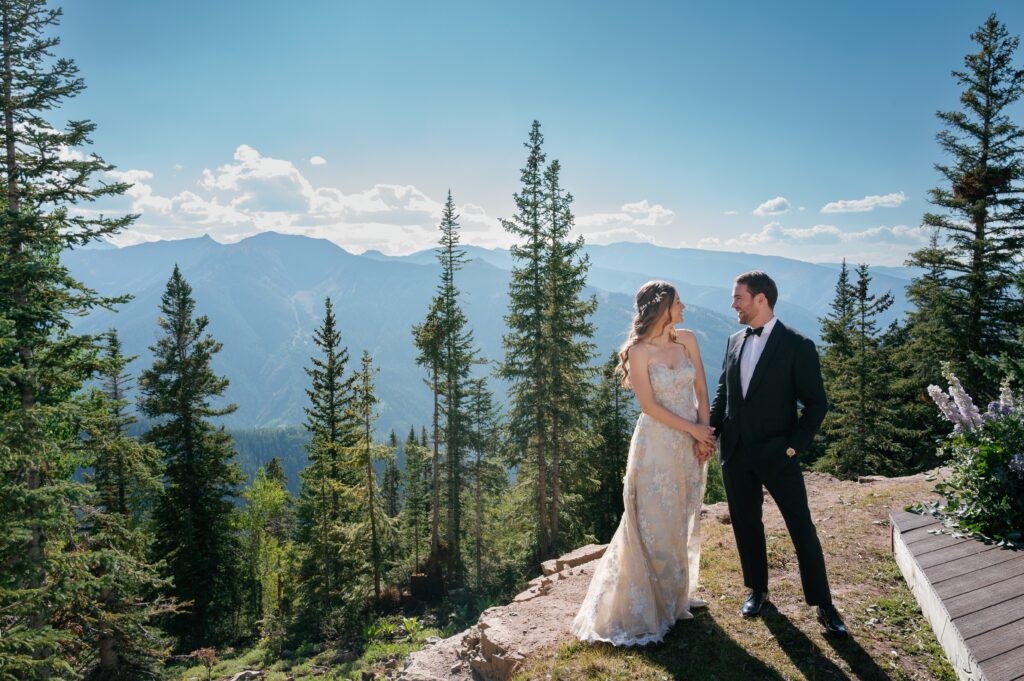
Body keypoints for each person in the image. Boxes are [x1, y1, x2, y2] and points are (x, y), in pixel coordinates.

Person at [571, 280, 717, 646]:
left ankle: (676, 595)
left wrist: (705, 431)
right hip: (656, 444)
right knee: (655, 520)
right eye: (678, 300)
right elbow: (649, 407)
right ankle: (652, 602)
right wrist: (694, 431)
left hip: (690, 440)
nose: (684, 305)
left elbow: (701, 387)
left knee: (683, 513)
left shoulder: (688, 339)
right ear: (662, 307)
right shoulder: (637, 352)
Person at [709, 271, 847, 637]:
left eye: (738, 297)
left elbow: (816, 403)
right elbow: (724, 394)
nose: (733, 304)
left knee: (801, 527)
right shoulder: (733, 340)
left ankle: (823, 604)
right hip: (736, 453)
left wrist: (794, 446)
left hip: (778, 453)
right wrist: (710, 432)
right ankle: (757, 590)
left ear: (760, 299)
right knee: (746, 524)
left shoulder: (797, 345)